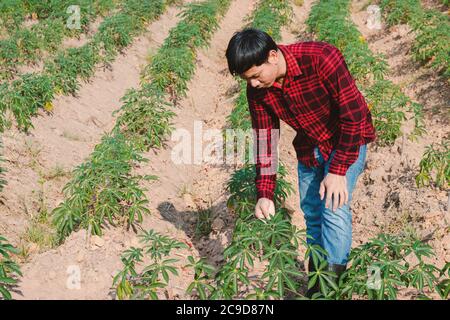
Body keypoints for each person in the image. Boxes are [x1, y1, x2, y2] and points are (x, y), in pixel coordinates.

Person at [225, 28, 376, 297]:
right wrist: (265, 194)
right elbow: (265, 142)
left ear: (272, 56)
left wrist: (338, 170)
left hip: (347, 141)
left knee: (333, 208)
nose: (254, 85)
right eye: (248, 80)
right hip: (310, 147)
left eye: (256, 76)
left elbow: (354, 116)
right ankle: (317, 286)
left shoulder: (321, 58)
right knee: (313, 213)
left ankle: (328, 291)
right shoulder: (258, 92)